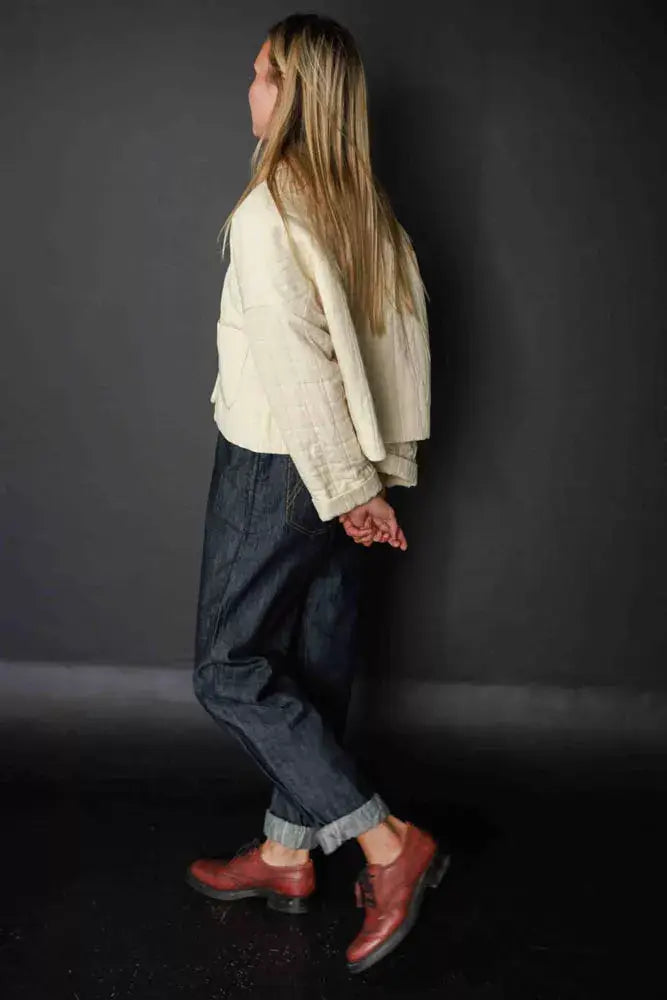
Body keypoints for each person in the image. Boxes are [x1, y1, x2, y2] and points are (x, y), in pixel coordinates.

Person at [186, 13, 450, 974]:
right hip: (344, 467)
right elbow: (400, 344)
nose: (249, 89)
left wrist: (345, 489)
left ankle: (387, 843)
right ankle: (289, 853)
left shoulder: (269, 213)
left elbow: (300, 371)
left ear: (294, 93)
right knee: (316, 663)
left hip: (280, 464)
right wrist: (371, 479)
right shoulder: (359, 204)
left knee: (228, 669)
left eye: (263, 74)